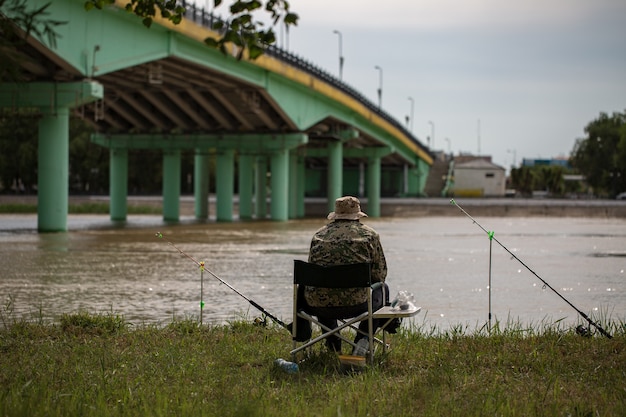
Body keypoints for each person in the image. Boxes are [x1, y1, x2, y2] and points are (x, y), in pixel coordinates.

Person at [302, 195, 397, 352]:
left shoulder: (318, 235)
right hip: (357, 305)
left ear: (336, 215)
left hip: (318, 305)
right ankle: (362, 340)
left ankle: (333, 342)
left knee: (322, 287)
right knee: (382, 288)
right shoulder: (370, 235)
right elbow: (380, 274)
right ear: (358, 216)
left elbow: (314, 271)